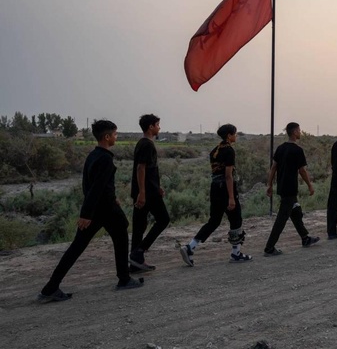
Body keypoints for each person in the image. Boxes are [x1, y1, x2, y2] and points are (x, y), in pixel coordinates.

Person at [37, 120, 143, 302]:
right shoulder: (105, 159)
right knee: (118, 236)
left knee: (79, 246)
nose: (116, 137)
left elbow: (92, 185)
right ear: (107, 137)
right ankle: (124, 279)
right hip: (103, 210)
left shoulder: (93, 155)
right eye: (115, 134)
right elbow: (96, 189)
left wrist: (108, 199)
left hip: (100, 208)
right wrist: (86, 215)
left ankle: (50, 288)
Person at [179, 124, 251, 266]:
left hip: (215, 188)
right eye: (235, 134)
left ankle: (190, 247)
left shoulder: (214, 150)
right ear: (229, 135)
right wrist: (231, 197)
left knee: (214, 221)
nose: (236, 136)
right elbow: (228, 176)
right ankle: (236, 253)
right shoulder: (229, 151)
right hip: (225, 188)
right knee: (236, 220)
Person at [263, 122, 320, 256]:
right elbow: (302, 171)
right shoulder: (297, 150)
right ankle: (269, 248)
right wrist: (310, 185)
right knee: (282, 218)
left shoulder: (281, 148)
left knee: (295, 212)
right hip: (290, 188)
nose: (300, 132)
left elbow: (273, 168)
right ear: (294, 132)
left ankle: (305, 238)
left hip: (282, 186)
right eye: (299, 130)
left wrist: (269, 184)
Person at [129, 114, 170, 272]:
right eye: (158, 125)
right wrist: (143, 192)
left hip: (147, 190)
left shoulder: (142, 143)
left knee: (139, 226)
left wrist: (157, 185)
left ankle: (135, 263)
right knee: (163, 219)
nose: (159, 127)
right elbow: (141, 168)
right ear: (151, 127)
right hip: (148, 193)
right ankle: (139, 252)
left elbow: (149, 170)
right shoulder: (147, 145)